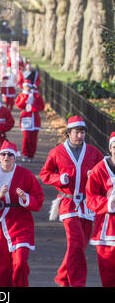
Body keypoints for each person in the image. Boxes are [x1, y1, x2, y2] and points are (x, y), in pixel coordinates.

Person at [40, 115, 103, 287]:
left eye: (82, 132)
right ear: (68, 133)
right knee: (75, 241)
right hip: (67, 202)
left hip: (87, 204)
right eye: (76, 132)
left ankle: (61, 277)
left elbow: (104, 173)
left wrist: (95, 177)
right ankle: (77, 283)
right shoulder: (57, 152)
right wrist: (59, 179)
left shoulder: (93, 152)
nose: (79, 135)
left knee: (79, 246)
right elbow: (45, 174)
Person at [0, 140, 44, 287]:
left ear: (14, 157)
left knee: (20, 262)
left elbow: (38, 199)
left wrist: (26, 198)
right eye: (3, 154)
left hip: (21, 222)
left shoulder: (25, 175)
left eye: (10, 155)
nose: (6, 157)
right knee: (1, 267)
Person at [85, 132, 115, 287]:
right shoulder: (99, 169)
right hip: (106, 226)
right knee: (108, 270)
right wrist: (108, 203)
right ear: (110, 148)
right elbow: (90, 198)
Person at [15, 79, 45, 162]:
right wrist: (24, 101)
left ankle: (31, 155)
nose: (27, 88)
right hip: (25, 118)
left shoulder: (36, 95)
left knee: (33, 139)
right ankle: (25, 154)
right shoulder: (21, 95)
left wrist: (33, 108)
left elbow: (42, 106)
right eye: (25, 86)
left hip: (35, 120)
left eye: (28, 86)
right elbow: (19, 105)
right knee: (26, 137)